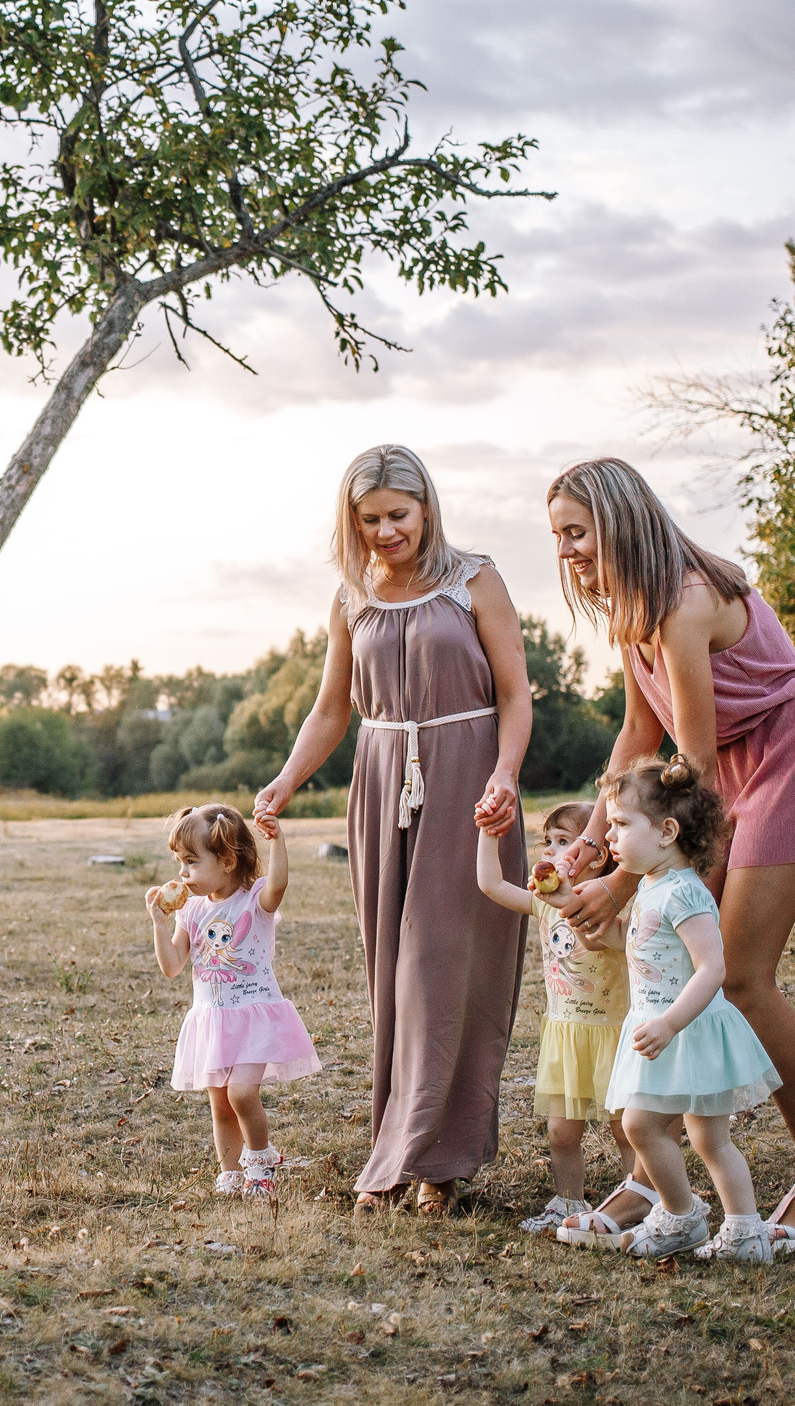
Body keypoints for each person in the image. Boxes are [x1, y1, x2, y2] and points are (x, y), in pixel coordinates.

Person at [546, 457, 795, 1254]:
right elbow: (638, 734)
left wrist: (625, 881)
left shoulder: (684, 602)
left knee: (743, 976)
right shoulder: (633, 611)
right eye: (558, 536)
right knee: (668, 962)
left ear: (620, 523)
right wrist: (591, 842)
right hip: (717, 773)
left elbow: (688, 764)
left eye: (578, 532)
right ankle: (654, 1179)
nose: (567, 551)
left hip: (782, 757)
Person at [254, 444, 533, 1214]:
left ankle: (428, 1162)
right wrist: (286, 778)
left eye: (398, 514)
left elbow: (516, 692)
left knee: (440, 971)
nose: (385, 531)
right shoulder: (352, 597)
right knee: (393, 977)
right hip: (381, 788)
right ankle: (407, 1148)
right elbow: (331, 709)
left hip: (468, 780)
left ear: (427, 508)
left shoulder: (475, 579)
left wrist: (506, 774)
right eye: (369, 518)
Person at [569, 757, 783, 1261]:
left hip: (686, 1030)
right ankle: (743, 1232)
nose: (610, 836)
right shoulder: (651, 885)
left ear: (667, 832)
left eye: (621, 824)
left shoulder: (684, 893)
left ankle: (684, 1216)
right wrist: (605, 937)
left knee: (646, 1126)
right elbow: (646, 942)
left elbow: (711, 968)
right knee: (707, 1139)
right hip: (666, 1027)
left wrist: (669, 1024)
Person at [473, 798, 636, 1234]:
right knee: (562, 1133)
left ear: (595, 855)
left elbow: (604, 941)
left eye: (563, 842)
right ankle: (567, 1202)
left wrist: (570, 902)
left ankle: (639, 1198)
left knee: (628, 1131)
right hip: (567, 1034)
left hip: (616, 1034)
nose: (548, 851)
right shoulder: (543, 902)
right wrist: (489, 832)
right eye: (547, 841)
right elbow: (490, 884)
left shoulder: (614, 906)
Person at [146, 804, 320, 1198]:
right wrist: (159, 923)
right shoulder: (191, 910)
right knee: (221, 1102)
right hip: (213, 1020)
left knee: (242, 1093)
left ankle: (260, 1163)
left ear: (226, 861)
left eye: (191, 862)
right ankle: (230, 1173)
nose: (182, 873)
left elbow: (278, 885)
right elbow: (172, 966)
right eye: (179, 862)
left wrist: (277, 841)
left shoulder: (254, 900)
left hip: (253, 1017)